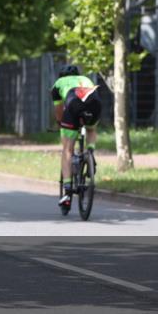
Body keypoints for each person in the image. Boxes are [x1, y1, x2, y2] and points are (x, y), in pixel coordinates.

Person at [50, 64, 102, 207]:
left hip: (73, 103)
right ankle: (90, 153)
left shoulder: (58, 84)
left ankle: (67, 192)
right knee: (91, 128)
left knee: (67, 149)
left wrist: (61, 124)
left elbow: (59, 110)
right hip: (95, 103)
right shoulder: (85, 79)